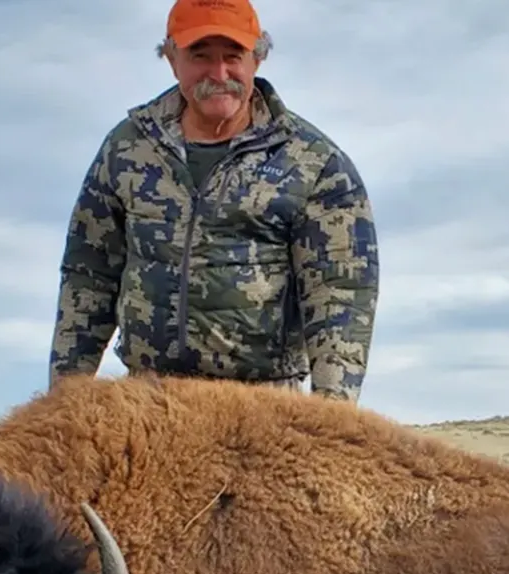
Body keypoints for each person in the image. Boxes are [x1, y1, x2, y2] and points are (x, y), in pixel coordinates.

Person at [47, 0, 379, 402]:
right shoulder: (127, 148)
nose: (219, 74)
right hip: (149, 401)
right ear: (172, 58)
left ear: (257, 58)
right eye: (200, 56)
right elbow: (89, 273)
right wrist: (63, 399)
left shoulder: (314, 162)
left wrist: (333, 413)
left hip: (263, 406)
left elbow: (340, 291)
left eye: (232, 57)